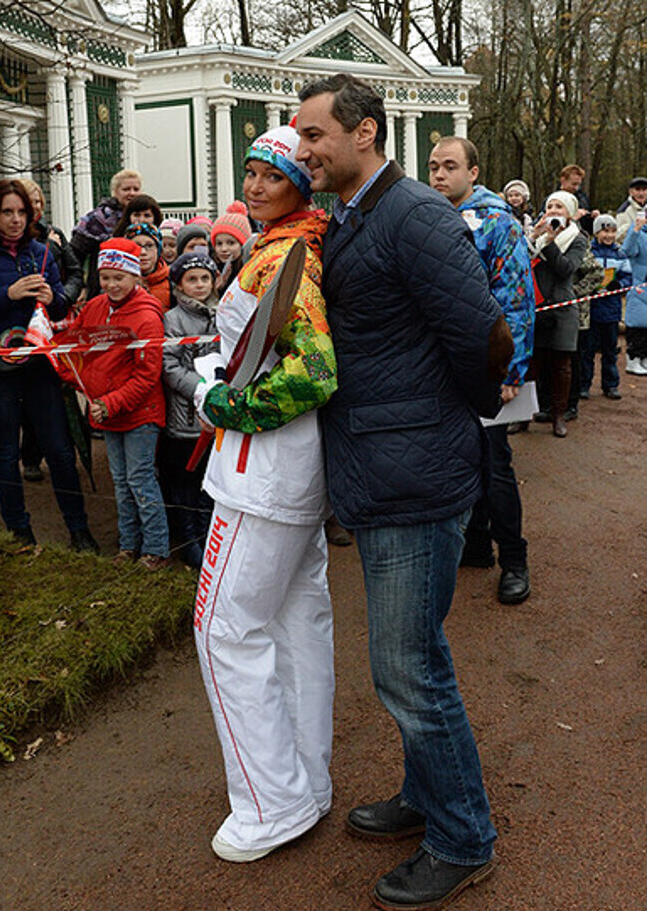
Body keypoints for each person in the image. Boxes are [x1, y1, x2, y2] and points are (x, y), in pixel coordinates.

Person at [296, 73, 511, 910]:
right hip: (389, 467)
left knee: (407, 666)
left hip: (416, 474)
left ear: (365, 132)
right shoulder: (356, 213)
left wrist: (448, 418)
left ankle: (462, 836)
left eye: (314, 134)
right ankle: (428, 794)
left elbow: (482, 335)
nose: (304, 150)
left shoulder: (414, 213)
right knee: (416, 653)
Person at [192, 125, 337, 863]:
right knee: (295, 622)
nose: (254, 186)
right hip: (288, 470)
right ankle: (304, 782)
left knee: (223, 629)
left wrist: (226, 404)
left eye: (271, 176)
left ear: (300, 187)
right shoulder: (287, 244)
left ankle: (271, 803)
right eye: (250, 172)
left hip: (263, 472)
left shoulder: (287, 257)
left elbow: (314, 371)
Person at [0, 178, 98, 552]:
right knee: (5, 451)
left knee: (59, 450)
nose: (16, 219)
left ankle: (79, 530)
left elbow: (59, 310)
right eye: (7, 212)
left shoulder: (41, 252)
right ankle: (19, 532)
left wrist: (55, 298)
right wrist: (7, 294)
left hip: (37, 363)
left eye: (22, 212)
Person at [428, 137, 535, 606]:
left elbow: (516, 298)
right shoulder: (427, 217)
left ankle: (514, 559)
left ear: (473, 172)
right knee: (455, 457)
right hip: (442, 368)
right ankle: (474, 546)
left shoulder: (498, 223)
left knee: (494, 464)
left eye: (449, 166)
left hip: (488, 367)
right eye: (433, 166)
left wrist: (509, 370)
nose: (439, 174)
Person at [57, 238, 170, 570]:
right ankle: (128, 545)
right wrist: (67, 369)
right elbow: (76, 346)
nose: (111, 284)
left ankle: (156, 549)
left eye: (119, 277)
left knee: (141, 480)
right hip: (106, 413)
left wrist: (110, 403)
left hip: (139, 414)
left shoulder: (147, 316)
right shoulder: (95, 306)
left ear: (135, 276)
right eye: (105, 277)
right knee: (121, 482)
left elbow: (147, 375)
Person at [19, 177, 84, 483]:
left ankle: (68, 451)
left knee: (63, 388)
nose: (34, 207)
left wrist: (63, 298)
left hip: (56, 320)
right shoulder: (14, 242)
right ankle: (31, 456)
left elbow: (75, 272)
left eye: (37, 202)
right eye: (27, 202)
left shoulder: (55, 234)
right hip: (25, 325)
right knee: (32, 392)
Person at [160, 251, 219, 568]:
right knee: (185, 483)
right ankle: (188, 540)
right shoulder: (173, 319)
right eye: (192, 279)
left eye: (205, 278)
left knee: (210, 482)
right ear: (179, 284)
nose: (199, 285)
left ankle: (208, 537)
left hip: (217, 417)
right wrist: (202, 390)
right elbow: (169, 367)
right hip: (186, 419)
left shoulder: (223, 314)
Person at [530, 191, 588, 437]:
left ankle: (559, 417)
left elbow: (566, 269)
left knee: (561, 365)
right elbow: (520, 262)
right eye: (550, 206)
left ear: (570, 212)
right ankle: (523, 416)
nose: (553, 210)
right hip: (536, 306)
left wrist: (550, 243)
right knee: (532, 364)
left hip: (563, 309)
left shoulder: (578, 239)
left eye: (559, 207)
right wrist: (534, 237)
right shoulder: (536, 235)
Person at [70, 168, 142, 296]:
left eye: (136, 189)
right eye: (126, 189)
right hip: (101, 286)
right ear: (115, 191)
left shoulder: (146, 216)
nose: (132, 193)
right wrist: (80, 286)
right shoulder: (97, 219)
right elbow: (75, 255)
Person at [581, 214, 631, 396]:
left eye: (612, 232)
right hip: (592, 310)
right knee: (587, 350)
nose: (609, 236)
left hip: (611, 310)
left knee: (610, 350)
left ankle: (610, 385)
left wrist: (619, 285)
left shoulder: (620, 254)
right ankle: (584, 384)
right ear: (596, 233)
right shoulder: (589, 252)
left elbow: (628, 277)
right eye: (605, 231)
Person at [620, 208, 647, 375]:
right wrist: (636, 229)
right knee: (638, 324)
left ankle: (644, 357)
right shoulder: (638, 231)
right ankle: (633, 358)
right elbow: (627, 250)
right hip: (639, 285)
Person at [124, 221, 171, 312]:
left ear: (158, 250)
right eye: (136, 246)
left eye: (149, 246)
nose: (143, 252)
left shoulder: (172, 281)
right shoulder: (118, 281)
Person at [210, 209, 251, 296]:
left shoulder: (249, 270)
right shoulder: (211, 269)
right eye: (219, 243)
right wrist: (217, 289)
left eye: (231, 243)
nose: (224, 249)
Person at [615, 176, 647, 243]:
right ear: (630, 192)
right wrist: (635, 227)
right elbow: (618, 236)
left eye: (644, 189)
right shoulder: (623, 210)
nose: (641, 193)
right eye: (637, 189)